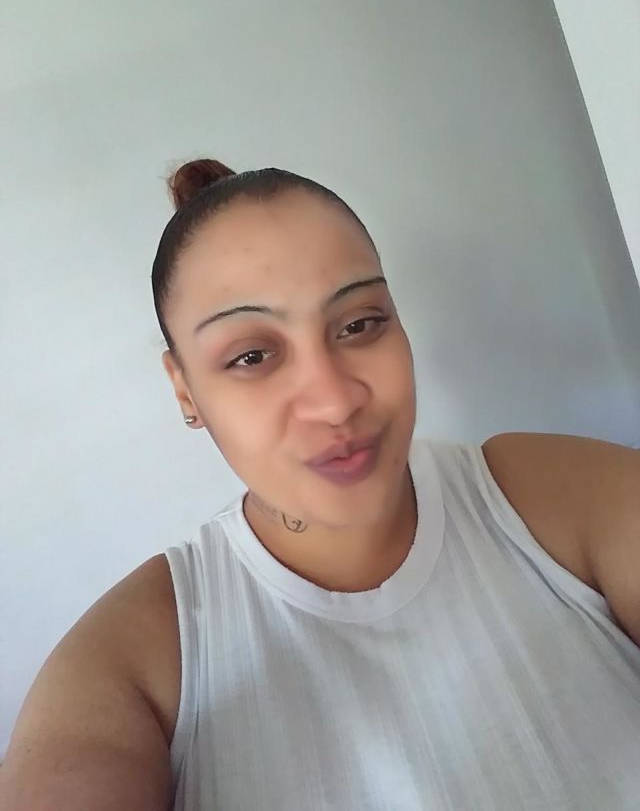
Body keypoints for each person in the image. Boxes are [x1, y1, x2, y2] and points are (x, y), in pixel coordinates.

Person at [2, 159, 639, 811]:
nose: (335, 401)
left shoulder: (550, 499)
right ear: (185, 390)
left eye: (359, 323)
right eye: (252, 355)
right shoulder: (134, 663)